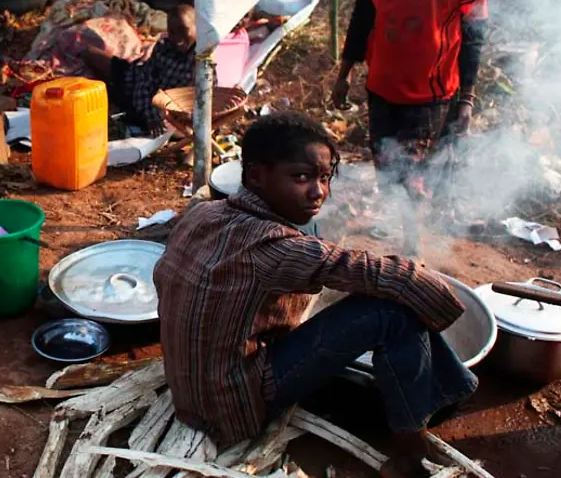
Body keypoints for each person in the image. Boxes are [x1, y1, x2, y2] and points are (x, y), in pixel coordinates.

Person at [154, 112, 477, 478]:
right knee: (393, 313)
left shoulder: (203, 213)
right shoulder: (275, 247)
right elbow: (374, 272)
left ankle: (447, 389)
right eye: (301, 177)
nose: (319, 191)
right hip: (237, 408)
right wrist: (440, 302)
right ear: (256, 176)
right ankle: (412, 455)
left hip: (192, 394)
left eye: (324, 178)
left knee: (381, 297)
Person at [331, 0, 488, 256]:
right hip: (381, 87)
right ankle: (405, 230)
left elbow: (472, 40)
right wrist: (344, 74)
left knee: (413, 173)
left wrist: (467, 99)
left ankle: (412, 245)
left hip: (432, 96)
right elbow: (362, 20)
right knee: (387, 167)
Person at [83, 3, 196, 135]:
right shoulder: (163, 50)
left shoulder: (202, 59)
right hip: (133, 85)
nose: (177, 38)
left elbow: (204, 98)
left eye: (183, 30)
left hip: (160, 107)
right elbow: (143, 84)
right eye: (172, 32)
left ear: (197, 28)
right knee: (90, 54)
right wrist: (151, 115)